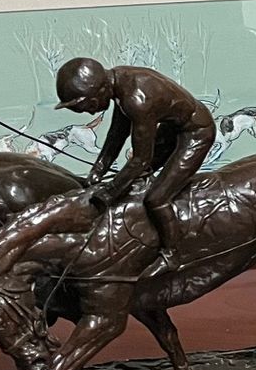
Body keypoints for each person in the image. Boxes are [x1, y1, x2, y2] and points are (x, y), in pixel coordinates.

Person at [54, 57, 215, 261]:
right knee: (139, 180)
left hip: (197, 132)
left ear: (98, 93)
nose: (90, 112)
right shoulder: (119, 82)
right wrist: (97, 171)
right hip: (172, 128)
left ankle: (173, 255)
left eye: (87, 106)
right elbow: (117, 133)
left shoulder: (136, 100)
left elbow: (141, 160)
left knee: (156, 199)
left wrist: (109, 192)